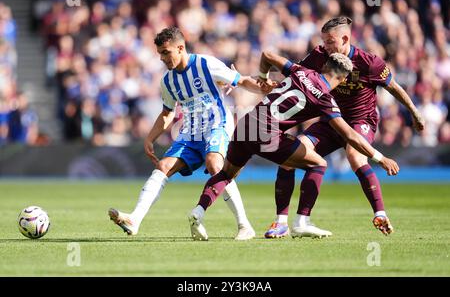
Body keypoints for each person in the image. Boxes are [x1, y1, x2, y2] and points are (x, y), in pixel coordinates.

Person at [187, 52, 400, 241]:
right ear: (343, 78)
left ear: (324, 66)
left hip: (246, 125)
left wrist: (263, 79)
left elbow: (267, 55)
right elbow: (350, 135)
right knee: (318, 163)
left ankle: (198, 211)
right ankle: (301, 222)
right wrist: (381, 158)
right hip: (266, 134)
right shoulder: (325, 99)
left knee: (226, 174)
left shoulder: (301, 71)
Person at [264, 17, 424, 239]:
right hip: (330, 121)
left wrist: (415, 114)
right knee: (291, 156)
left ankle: (380, 214)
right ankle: (283, 222)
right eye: (324, 42)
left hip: (361, 121)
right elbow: (299, 76)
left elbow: (394, 88)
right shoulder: (319, 56)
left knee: (355, 156)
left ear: (345, 38)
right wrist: (270, 84)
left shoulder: (370, 62)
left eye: (331, 42)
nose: (326, 47)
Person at [108, 27, 265, 240]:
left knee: (215, 164)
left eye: (166, 52)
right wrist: (150, 138)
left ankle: (244, 225)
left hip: (217, 124)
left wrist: (264, 88)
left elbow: (241, 80)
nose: (163, 58)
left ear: (181, 48)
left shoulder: (206, 64)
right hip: (190, 132)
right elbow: (167, 113)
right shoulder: (168, 81)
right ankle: (135, 219)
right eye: (160, 54)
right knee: (163, 166)